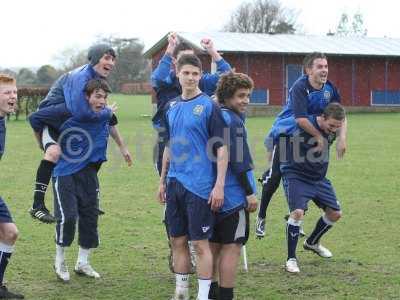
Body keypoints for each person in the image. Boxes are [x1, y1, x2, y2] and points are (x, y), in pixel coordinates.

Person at [28, 44, 132, 224]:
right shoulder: (80, 77)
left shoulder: (96, 79)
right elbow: (81, 112)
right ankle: (37, 205)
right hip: (53, 119)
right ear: (94, 58)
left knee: (94, 148)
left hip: (70, 122)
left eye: (113, 59)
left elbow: (105, 118)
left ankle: (87, 200)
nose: (111, 63)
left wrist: (123, 147)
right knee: (53, 153)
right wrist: (106, 111)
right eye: (107, 58)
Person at [157, 54, 228, 300]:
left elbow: (222, 148)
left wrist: (219, 186)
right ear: (178, 73)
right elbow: (168, 146)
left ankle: (203, 295)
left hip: (199, 186)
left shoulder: (209, 106)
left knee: (200, 244)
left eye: (195, 74)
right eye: (186, 73)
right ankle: (181, 292)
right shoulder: (171, 106)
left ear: (200, 76)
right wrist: (162, 181)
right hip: (174, 184)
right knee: (177, 241)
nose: (190, 77)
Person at [255, 52, 347, 238]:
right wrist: (320, 138)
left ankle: (295, 216)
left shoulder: (330, 89)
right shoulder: (300, 87)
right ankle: (261, 216)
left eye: (326, 66)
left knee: (305, 172)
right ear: (308, 70)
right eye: (320, 66)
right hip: (287, 131)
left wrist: (342, 138)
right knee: (275, 177)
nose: (324, 70)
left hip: (308, 133)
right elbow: (300, 119)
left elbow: (341, 114)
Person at [36, 79, 114, 281]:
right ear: (86, 97)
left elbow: (111, 122)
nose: (102, 101)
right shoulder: (68, 114)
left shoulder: (101, 116)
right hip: (64, 173)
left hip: (88, 174)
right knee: (68, 217)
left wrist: (123, 148)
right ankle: (59, 259)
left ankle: (83, 262)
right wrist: (45, 144)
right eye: (97, 96)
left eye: (104, 97)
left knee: (90, 217)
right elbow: (36, 117)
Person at [208, 72, 258, 300]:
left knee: (213, 247)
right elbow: (240, 162)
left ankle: (209, 293)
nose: (246, 100)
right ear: (227, 96)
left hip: (209, 194)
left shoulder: (212, 116)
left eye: (248, 95)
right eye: (240, 96)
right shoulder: (234, 122)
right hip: (232, 196)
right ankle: (226, 296)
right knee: (232, 247)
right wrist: (249, 193)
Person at [281, 102, 346, 273]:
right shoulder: (303, 128)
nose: (333, 130)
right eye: (331, 125)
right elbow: (281, 139)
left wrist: (342, 139)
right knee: (297, 213)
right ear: (322, 118)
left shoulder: (334, 128)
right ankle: (291, 259)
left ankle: (312, 242)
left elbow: (342, 123)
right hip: (297, 176)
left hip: (319, 178)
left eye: (337, 127)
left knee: (335, 213)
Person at [0, 74, 24, 299]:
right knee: (9, 232)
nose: (13, 96)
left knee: (9, 233)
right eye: (7, 92)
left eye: (14, 92)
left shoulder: (1, 120)